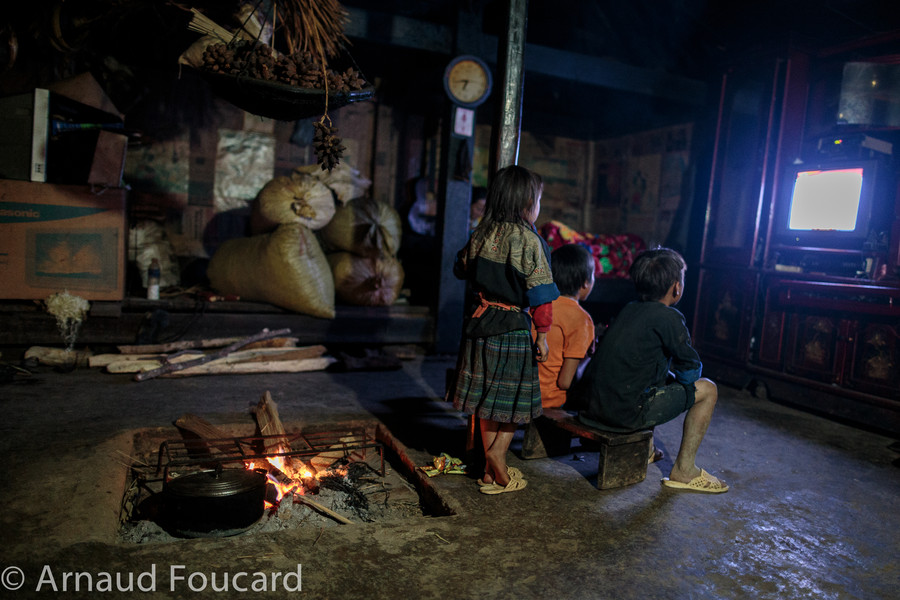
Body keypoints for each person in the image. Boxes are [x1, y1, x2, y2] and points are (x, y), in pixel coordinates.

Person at [574, 247, 729, 493]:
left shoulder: (629, 309)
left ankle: (646, 450)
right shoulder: (669, 318)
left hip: (592, 410)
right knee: (708, 389)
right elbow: (690, 371)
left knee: (652, 378)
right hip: (624, 416)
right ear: (676, 288)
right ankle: (685, 470)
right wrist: (681, 384)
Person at [448, 165, 559, 495]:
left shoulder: (481, 233)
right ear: (527, 203)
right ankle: (498, 454)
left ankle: (489, 472)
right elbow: (541, 296)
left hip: (479, 326)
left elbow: (460, 268)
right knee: (512, 400)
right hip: (512, 329)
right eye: (537, 200)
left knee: (487, 399)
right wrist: (542, 335)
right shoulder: (531, 241)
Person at [535, 243, 596, 409]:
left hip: (521, 395)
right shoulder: (581, 319)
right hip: (550, 401)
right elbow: (565, 382)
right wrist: (588, 358)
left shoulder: (537, 306)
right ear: (585, 282)